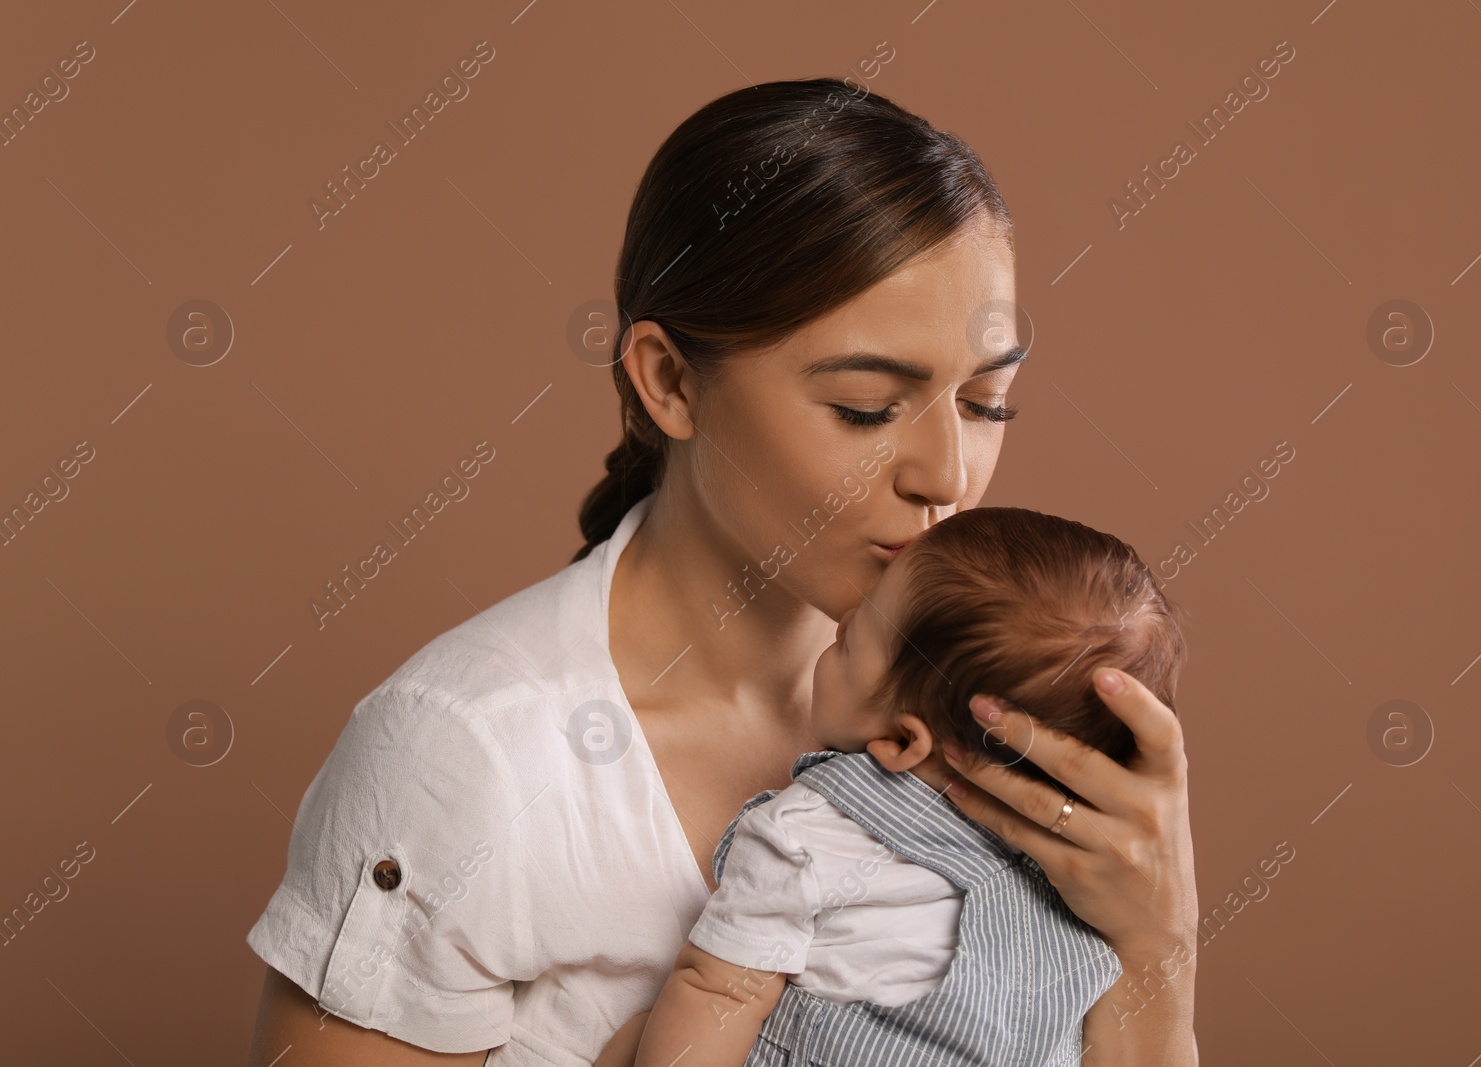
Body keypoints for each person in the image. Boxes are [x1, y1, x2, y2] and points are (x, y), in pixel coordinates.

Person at [245, 76, 1200, 1067]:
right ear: (667, 379)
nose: (948, 476)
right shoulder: (468, 754)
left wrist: (1158, 938)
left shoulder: (1008, 713)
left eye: (987, 402)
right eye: (868, 407)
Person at [625, 506, 1188, 1066]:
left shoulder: (815, 830)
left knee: (633, 1041)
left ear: (901, 741)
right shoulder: (1081, 888)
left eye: (852, 640)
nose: (841, 623)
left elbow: (719, 990)